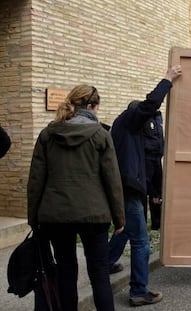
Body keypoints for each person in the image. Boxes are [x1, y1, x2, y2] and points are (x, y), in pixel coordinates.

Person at [27, 85, 125, 311]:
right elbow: (112, 180)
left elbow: (36, 181)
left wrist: (33, 218)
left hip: (56, 215)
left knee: (65, 271)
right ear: (91, 106)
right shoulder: (100, 134)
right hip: (94, 214)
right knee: (99, 273)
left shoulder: (47, 134)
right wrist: (119, 218)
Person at [108, 64, 182, 307]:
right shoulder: (129, 120)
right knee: (141, 240)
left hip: (136, 189)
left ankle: (106, 262)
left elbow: (152, 160)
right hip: (128, 189)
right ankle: (138, 291)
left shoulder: (140, 135)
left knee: (128, 229)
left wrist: (156, 193)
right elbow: (150, 104)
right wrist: (167, 80)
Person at [143, 110, 164, 238]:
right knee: (145, 189)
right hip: (147, 159)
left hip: (157, 158)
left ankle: (156, 223)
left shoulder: (158, 117)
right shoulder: (145, 116)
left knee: (157, 191)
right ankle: (142, 223)